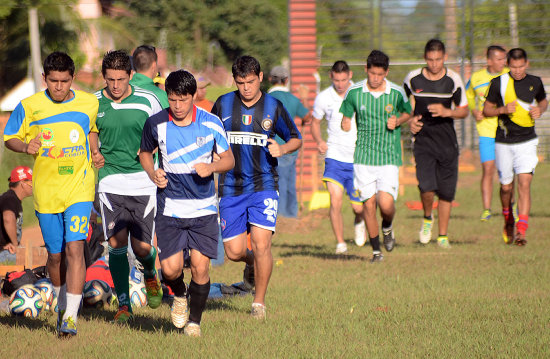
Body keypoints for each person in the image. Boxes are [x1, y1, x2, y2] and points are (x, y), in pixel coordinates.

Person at [4, 51, 99, 337]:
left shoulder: (88, 102)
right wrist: (25, 147)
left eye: (65, 81)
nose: (59, 87)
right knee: (55, 256)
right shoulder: (29, 105)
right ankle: (61, 303)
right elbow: (10, 137)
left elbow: (91, 129)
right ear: (45, 79)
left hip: (80, 188)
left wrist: (94, 150)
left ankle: (70, 316)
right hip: (46, 192)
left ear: (73, 79)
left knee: (75, 248)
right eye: (53, 81)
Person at [140, 69, 234, 337]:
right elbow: (145, 153)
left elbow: (229, 160)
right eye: (173, 100)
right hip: (170, 207)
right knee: (169, 270)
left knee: (200, 267)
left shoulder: (212, 122)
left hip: (203, 209)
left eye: (183, 99)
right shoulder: (156, 123)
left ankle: (194, 321)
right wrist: (152, 172)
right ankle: (180, 294)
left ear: (194, 96)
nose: (178, 106)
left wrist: (211, 167)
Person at [211, 55, 302, 320]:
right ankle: (250, 265)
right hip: (230, 186)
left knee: (262, 244)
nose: (246, 88)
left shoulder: (274, 106)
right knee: (235, 251)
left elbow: (295, 138)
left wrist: (282, 147)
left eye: (250, 82)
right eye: (240, 83)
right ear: (234, 81)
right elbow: (208, 134)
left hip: (263, 184)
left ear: (260, 78)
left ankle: (258, 304)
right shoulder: (223, 104)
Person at [91, 50, 164, 323]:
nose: (116, 85)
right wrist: (94, 151)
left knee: (142, 247)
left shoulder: (150, 100)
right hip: (110, 180)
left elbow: (163, 130)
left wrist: (157, 160)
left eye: (121, 79)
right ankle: (124, 305)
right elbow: (91, 129)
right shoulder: (94, 102)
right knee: (116, 243)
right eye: (110, 79)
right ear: (104, 77)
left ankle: (150, 272)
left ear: (131, 75)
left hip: (143, 180)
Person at [340, 50, 412, 262]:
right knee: (368, 205)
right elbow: (345, 117)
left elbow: (408, 112)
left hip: (389, 156)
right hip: (363, 158)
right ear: (366, 70)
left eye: (380, 74)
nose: (375, 78)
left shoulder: (396, 93)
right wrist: (345, 123)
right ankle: (376, 252)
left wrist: (398, 121)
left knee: (386, 204)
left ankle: (387, 227)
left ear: (386, 72)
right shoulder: (354, 92)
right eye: (372, 73)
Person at [403, 39, 468, 248]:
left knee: (447, 192)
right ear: (425, 58)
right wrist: (410, 120)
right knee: (427, 187)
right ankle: (427, 218)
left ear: (445, 58)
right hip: (423, 141)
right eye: (430, 60)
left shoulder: (453, 79)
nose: (434, 64)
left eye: (438, 60)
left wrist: (447, 111)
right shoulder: (413, 79)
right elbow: (402, 108)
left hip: (447, 142)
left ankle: (442, 236)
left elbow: (464, 109)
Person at [482, 48, 547, 246]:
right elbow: (486, 110)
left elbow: (543, 101)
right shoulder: (498, 83)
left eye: (521, 66)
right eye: (513, 66)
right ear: (508, 65)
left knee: (524, 184)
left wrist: (540, 110)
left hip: (527, 141)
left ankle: (521, 231)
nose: (517, 70)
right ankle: (508, 218)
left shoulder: (535, 82)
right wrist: (502, 109)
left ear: (526, 64)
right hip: (504, 141)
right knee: (506, 187)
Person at [311, 60, 366, 254]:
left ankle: (360, 221)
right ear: (331, 77)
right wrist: (319, 141)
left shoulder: (360, 93)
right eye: (336, 80)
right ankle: (340, 243)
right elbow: (315, 123)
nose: (340, 84)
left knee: (359, 208)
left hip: (358, 158)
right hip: (334, 156)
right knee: (335, 200)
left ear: (350, 75)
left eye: (343, 79)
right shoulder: (323, 98)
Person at [466, 45, 509, 221]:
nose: (503, 62)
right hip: (485, 129)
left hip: (507, 130)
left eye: (504, 59)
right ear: (489, 60)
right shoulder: (476, 78)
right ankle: (487, 210)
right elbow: (468, 96)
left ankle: (510, 206)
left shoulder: (509, 75)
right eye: (499, 59)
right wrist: (473, 110)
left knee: (507, 171)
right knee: (488, 168)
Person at [268, 65, 312, 218]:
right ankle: (291, 214)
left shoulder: (265, 99)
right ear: (286, 81)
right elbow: (307, 117)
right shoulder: (293, 99)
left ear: (269, 80)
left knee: (275, 183)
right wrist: (305, 98)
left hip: (270, 147)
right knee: (289, 182)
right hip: (291, 146)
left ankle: (279, 215)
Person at [0, 166, 33, 263]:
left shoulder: (11, 198)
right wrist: (15, 245)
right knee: (39, 259)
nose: (33, 186)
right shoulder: (10, 198)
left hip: (5, 250)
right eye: (31, 182)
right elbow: (8, 218)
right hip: (3, 252)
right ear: (22, 184)